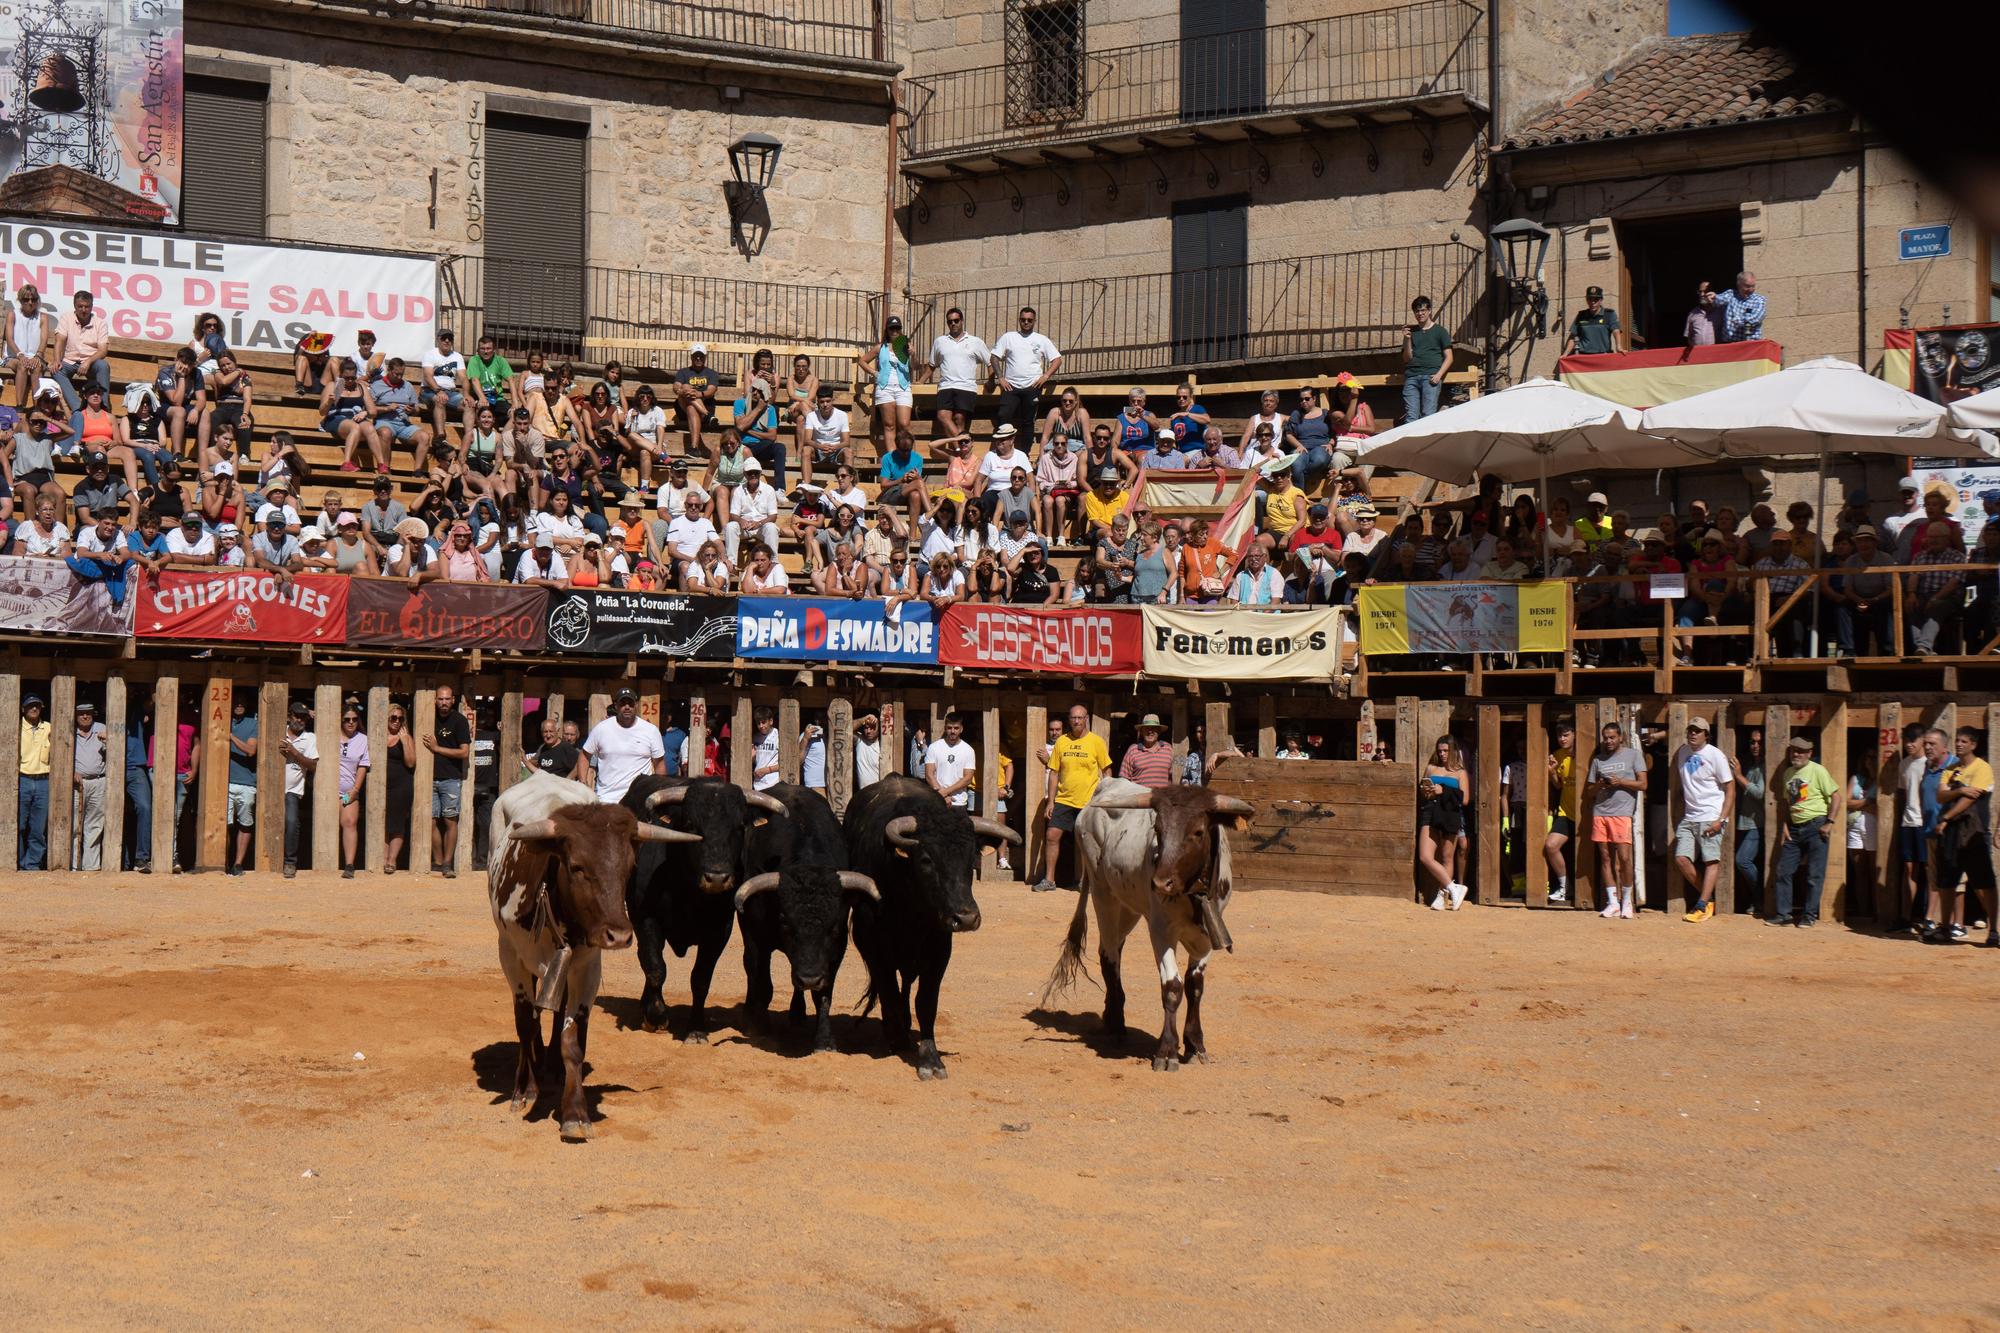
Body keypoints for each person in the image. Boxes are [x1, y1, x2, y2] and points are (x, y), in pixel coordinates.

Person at [1923, 727, 1993, 945]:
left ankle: (1994, 930)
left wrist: (1946, 818)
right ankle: (1944, 927)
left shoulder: (1983, 768)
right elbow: (1941, 795)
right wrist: (1961, 790)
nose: (1960, 744)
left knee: (1984, 882)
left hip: (1974, 831)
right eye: (1958, 741)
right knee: (1947, 881)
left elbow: (1972, 799)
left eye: (1964, 741)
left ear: (1974, 744)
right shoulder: (1952, 769)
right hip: (1952, 834)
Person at [1768, 735, 1843, 928]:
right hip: (1794, 828)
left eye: (1801, 751)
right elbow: (1786, 803)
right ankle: (1783, 915)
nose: (1797, 754)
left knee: (1814, 874)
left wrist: (1829, 823)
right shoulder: (1787, 774)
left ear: (1810, 753)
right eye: (1794, 750)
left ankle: (1809, 916)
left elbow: (1836, 797)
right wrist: (1784, 825)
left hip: (1815, 825)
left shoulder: (1818, 771)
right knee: (1783, 870)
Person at [1036, 703, 1109, 893]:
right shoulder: (1062, 742)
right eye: (1073, 717)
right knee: (1052, 835)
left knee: (1087, 842)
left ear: (1086, 719)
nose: (1076, 721)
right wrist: (1051, 801)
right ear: (1069, 720)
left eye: (1080, 717)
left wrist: (1106, 797)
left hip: (1088, 801)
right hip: (1064, 799)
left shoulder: (1096, 742)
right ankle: (1049, 880)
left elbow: (1106, 770)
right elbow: (1054, 773)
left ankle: (1086, 882)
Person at [1673, 717, 1736, 922]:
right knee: (1681, 859)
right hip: (1689, 816)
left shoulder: (1715, 755)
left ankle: (1702, 905)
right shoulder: (1682, 751)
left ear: (1706, 735)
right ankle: (1707, 897)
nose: (1693, 733)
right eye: (1690, 730)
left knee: (1710, 860)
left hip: (1711, 815)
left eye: (1698, 731)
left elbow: (1730, 787)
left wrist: (1721, 819)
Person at [1584, 720, 1645, 918]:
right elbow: (1589, 791)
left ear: (1621, 737)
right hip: (1600, 812)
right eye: (1605, 738)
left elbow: (1643, 784)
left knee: (1625, 858)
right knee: (1605, 857)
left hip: (1622, 813)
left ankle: (1627, 902)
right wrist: (1601, 784)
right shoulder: (1598, 760)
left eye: (1612, 737)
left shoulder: (1633, 755)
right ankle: (1613, 902)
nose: (1608, 741)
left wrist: (1621, 782)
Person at [1895, 726, 1944, 933]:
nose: (1909, 744)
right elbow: (1904, 794)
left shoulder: (1930, 764)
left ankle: (1929, 918)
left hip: (1926, 823)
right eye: (1906, 739)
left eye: (1913, 740)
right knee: (1909, 869)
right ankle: (1907, 917)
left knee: (1930, 870)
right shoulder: (1904, 764)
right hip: (1908, 822)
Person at [989, 306, 1062, 441]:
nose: (1026, 322)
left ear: (1034, 321)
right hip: (1010, 386)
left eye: (1029, 320)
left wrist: (1045, 376)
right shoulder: (1008, 337)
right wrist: (1000, 377)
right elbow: (994, 357)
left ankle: (1025, 454)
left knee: (1028, 421)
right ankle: (1003, 450)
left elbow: (1057, 360)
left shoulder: (1041, 339)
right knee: (1003, 416)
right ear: (1019, 321)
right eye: (1023, 320)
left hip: (1032, 386)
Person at [583, 688, 666, 803]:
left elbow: (659, 764)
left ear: (636, 705)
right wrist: (583, 784)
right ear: (616, 705)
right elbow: (584, 755)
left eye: (630, 703)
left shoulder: (651, 730)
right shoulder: (601, 729)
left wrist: (658, 792)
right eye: (622, 703)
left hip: (639, 799)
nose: (627, 707)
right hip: (607, 799)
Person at [423, 685, 471, 878]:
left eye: (447, 699)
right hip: (428, 778)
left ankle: (448, 864)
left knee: (450, 820)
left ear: (453, 700)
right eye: (440, 699)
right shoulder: (427, 717)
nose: (443, 703)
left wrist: (437, 748)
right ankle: (438, 861)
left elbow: (464, 752)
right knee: (431, 821)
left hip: (451, 778)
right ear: (435, 700)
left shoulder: (459, 721)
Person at [1419, 735, 1470, 910]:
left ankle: (1442, 897)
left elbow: (1465, 799)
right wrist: (1428, 791)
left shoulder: (1460, 772)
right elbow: (1423, 793)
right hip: (1431, 813)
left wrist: (1444, 790)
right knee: (1425, 856)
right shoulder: (1431, 768)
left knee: (1447, 857)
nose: (1442, 754)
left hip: (1450, 815)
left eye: (1446, 751)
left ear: (1454, 751)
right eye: (1439, 750)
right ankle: (1454, 887)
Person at [925, 305, 989, 443]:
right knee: (942, 416)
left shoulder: (975, 342)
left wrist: (991, 380)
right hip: (945, 386)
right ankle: (964, 444)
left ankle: (959, 453)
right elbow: (931, 365)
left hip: (966, 386)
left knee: (959, 419)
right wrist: (920, 381)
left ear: (962, 321)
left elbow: (990, 362)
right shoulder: (940, 341)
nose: (953, 323)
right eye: (950, 321)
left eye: (956, 320)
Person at [279, 702, 319, 880]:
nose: (300, 720)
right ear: (289, 716)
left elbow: (312, 765)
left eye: (303, 716)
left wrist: (294, 753)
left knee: (292, 822)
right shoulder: (278, 730)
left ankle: (290, 862)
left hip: (293, 790)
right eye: (296, 716)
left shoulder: (310, 738)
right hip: (270, 788)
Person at [1400, 295, 1452, 423]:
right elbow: (1407, 358)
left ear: (1429, 311)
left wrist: (1439, 374)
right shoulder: (1411, 332)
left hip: (1431, 377)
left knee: (1428, 416)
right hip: (1412, 377)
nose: (1420, 313)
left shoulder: (1440, 331)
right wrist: (1407, 339)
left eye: (1423, 310)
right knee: (1411, 417)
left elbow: (1449, 357)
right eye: (1417, 311)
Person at [70, 699, 108, 872]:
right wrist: (70, 772)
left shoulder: (103, 729)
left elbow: (118, 752)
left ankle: (91, 867)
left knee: (95, 825)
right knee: (75, 824)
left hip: (99, 781)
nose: (85, 716)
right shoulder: (69, 730)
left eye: (88, 713)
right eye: (81, 713)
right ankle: (74, 865)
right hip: (77, 784)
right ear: (76, 715)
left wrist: (109, 741)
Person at [1543, 722, 1576, 904]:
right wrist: (1552, 771)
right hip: (1565, 811)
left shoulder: (1586, 753)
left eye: (1566, 735)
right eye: (1560, 736)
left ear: (1575, 734)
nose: (1562, 739)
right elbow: (1558, 785)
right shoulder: (1557, 755)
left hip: (1584, 813)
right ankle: (1565, 887)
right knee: (1551, 846)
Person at [226, 694, 259, 877]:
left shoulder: (253, 724)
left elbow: (250, 750)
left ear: (246, 703)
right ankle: (223, 862)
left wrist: (230, 737)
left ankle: (238, 864)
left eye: (241, 701)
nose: (238, 704)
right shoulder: (223, 719)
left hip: (246, 782)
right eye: (235, 702)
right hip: (224, 782)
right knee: (225, 824)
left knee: (245, 824)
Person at [335, 705, 369, 879]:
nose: (351, 723)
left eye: (354, 719)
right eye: (347, 719)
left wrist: (355, 790)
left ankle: (349, 865)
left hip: (348, 790)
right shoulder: (330, 735)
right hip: (328, 791)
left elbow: (363, 765)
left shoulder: (363, 739)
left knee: (349, 821)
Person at [381, 703, 415, 874]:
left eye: (400, 718)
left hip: (401, 786)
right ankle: (382, 858)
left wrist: (404, 741)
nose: (396, 721)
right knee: (382, 823)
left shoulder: (406, 738)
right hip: (380, 786)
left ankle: (391, 860)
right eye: (393, 717)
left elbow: (410, 762)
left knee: (397, 823)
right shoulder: (377, 735)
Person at [17, 692, 49, 870]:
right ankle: (18, 862)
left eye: (37, 705)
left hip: (44, 781)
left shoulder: (50, 728)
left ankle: (32, 864)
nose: (34, 708)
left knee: (38, 828)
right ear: (23, 709)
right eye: (30, 706)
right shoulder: (16, 728)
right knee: (19, 825)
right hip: (22, 780)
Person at [122, 701, 154, 873]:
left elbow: (153, 701)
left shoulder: (136, 710)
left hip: (136, 767)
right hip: (111, 768)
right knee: (114, 813)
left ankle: (141, 858)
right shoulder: (101, 714)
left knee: (144, 808)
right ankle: (119, 860)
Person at [924, 712, 976, 809]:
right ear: (945, 728)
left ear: (961, 729)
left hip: (959, 802)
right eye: (949, 728)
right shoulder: (934, 747)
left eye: (956, 728)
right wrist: (942, 795)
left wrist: (945, 792)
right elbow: (929, 774)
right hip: (937, 800)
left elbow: (968, 778)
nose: (952, 731)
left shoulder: (968, 750)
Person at [1562, 285, 1624, 356]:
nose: (1592, 302)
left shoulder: (1609, 314)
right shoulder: (1581, 315)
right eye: (1590, 299)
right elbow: (1573, 337)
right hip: (1584, 357)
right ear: (1586, 300)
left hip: (1602, 356)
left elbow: (1616, 331)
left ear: (1601, 300)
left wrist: (1618, 346)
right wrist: (1565, 354)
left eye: (1596, 299)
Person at [527, 714, 586, 783]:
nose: (569, 738)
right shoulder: (544, 747)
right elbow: (536, 762)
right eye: (566, 734)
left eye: (572, 735)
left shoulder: (570, 749)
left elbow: (582, 764)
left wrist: (568, 779)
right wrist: (526, 761)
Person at [1714, 271, 1765, 343]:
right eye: (1747, 286)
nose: (1751, 289)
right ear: (1738, 285)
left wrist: (1737, 320)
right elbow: (1718, 300)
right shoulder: (1731, 294)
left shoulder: (1759, 300)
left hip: (1750, 344)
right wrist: (1713, 297)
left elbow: (1755, 319)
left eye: (1753, 286)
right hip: (1729, 343)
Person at [748, 705, 781, 792]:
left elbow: (786, 764)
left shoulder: (779, 736)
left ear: (771, 721)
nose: (761, 726)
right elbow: (753, 762)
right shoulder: (755, 738)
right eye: (758, 723)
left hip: (774, 784)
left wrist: (767, 770)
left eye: (763, 722)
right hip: (758, 785)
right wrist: (752, 758)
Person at [1685, 280, 1721, 347]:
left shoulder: (1721, 311)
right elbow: (1689, 337)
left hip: (1717, 353)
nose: (1702, 294)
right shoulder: (1693, 313)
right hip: (1698, 354)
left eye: (1705, 291)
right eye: (1700, 292)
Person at [853, 712, 881, 789]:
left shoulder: (883, 746)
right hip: (863, 794)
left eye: (872, 728)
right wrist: (864, 719)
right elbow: (846, 728)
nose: (868, 731)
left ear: (879, 730)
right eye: (866, 728)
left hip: (879, 793)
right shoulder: (860, 741)